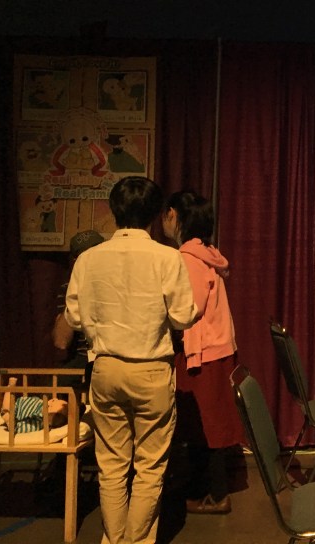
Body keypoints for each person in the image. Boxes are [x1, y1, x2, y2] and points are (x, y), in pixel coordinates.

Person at [65, 176, 197, 544]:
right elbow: (183, 317)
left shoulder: (88, 259)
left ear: (114, 210)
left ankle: (114, 540)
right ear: (156, 214)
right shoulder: (167, 257)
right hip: (151, 369)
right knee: (149, 468)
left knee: (110, 468)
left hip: (105, 368)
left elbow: (73, 317)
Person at [161, 190, 242, 516]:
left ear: (175, 216)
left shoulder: (188, 258)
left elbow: (189, 309)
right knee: (209, 422)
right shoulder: (208, 253)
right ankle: (205, 489)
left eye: (167, 214)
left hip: (202, 352)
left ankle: (216, 494)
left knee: (204, 424)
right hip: (215, 349)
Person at [52, 229, 106, 376]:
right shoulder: (67, 287)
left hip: (111, 357)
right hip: (82, 358)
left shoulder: (115, 281)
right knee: (55, 384)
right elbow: (61, 342)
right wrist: (78, 289)